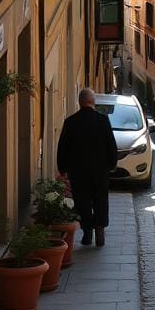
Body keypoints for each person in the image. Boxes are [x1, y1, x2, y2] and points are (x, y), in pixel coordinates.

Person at [56, 88, 118, 247]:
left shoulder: (70, 121)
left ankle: (87, 232)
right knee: (100, 199)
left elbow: (62, 146)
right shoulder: (103, 120)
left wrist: (62, 168)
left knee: (82, 201)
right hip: (100, 170)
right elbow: (111, 144)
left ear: (80, 102)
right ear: (93, 102)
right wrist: (112, 164)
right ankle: (100, 229)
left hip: (78, 171)